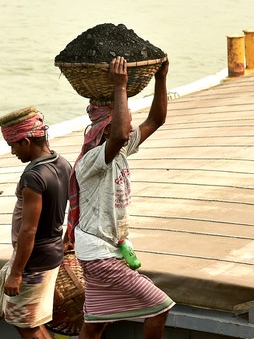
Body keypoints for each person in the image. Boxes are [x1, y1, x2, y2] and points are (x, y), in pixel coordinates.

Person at [68, 57, 173, 339]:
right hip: (100, 255)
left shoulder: (122, 150)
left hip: (110, 250)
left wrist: (160, 79)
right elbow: (120, 134)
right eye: (118, 126)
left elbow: (156, 119)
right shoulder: (92, 160)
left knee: (95, 324)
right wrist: (120, 86)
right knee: (158, 307)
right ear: (105, 131)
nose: (127, 130)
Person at [0, 107, 72, 339]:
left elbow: (29, 230)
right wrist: (67, 241)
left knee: (26, 325)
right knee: (31, 320)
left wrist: (16, 273)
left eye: (13, 145)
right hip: (50, 253)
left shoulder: (33, 177)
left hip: (33, 260)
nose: (12, 152)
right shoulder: (62, 164)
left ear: (27, 141)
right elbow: (73, 209)